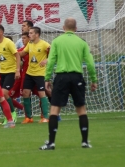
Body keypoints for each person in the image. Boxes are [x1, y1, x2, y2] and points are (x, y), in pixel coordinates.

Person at [39, 17, 97, 150]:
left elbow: (51, 61)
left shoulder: (57, 41)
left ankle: (51, 143)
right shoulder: (81, 42)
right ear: (76, 29)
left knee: (55, 110)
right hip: (77, 77)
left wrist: (47, 78)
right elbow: (90, 63)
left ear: (63, 28)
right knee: (81, 109)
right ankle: (84, 142)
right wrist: (94, 80)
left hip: (61, 77)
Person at [19, 27, 50, 123]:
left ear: (37, 34)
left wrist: (47, 60)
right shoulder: (30, 43)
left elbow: (54, 54)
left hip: (40, 73)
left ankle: (45, 117)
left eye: (31, 33)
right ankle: (29, 117)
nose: (29, 35)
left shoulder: (44, 44)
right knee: (25, 93)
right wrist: (11, 53)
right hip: (29, 73)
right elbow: (23, 53)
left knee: (41, 93)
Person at [0, 24, 21, 124]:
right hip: (1, 72)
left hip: (11, 71)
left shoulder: (8, 42)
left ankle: (13, 114)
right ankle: (7, 116)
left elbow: (17, 56)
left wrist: (17, 70)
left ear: (1, 32)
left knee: (4, 93)